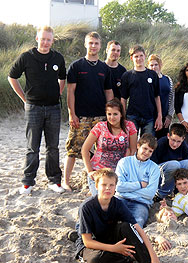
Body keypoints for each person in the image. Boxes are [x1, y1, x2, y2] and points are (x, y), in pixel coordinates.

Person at [8, 26, 66, 194]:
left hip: (54, 108)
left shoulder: (58, 58)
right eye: (43, 38)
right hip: (33, 108)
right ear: (37, 38)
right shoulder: (27, 57)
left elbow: (63, 78)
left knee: (53, 147)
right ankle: (28, 182)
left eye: (49, 39)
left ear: (52, 40)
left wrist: (58, 93)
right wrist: (24, 98)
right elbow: (12, 77)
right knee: (33, 147)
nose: (45, 42)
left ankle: (54, 181)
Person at [63, 31, 114, 191]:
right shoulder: (76, 66)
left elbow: (109, 92)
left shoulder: (104, 68)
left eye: (96, 43)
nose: (93, 46)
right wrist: (72, 113)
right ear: (86, 44)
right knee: (73, 149)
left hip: (100, 117)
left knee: (100, 150)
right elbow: (70, 91)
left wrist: (109, 115)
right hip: (81, 116)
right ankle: (66, 181)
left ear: (100, 46)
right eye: (90, 43)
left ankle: (96, 180)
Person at [75, 168, 159, 263]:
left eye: (111, 185)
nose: (108, 188)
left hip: (112, 239)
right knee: (96, 259)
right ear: (96, 186)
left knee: (126, 226)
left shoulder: (118, 204)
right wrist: (114, 248)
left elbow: (138, 229)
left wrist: (153, 257)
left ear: (115, 187)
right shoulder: (87, 207)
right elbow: (87, 242)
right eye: (104, 185)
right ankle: (124, 257)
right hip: (93, 245)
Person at [82, 98, 137, 196]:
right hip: (99, 170)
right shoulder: (100, 127)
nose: (112, 117)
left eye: (115, 114)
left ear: (121, 114)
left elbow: (133, 150)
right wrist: (89, 171)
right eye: (109, 114)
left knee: (118, 198)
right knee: (101, 198)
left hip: (119, 172)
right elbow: (85, 149)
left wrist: (126, 170)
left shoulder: (129, 126)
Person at [115, 134, 160, 228]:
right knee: (110, 219)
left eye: (150, 151)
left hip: (141, 203)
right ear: (138, 145)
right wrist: (139, 184)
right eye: (145, 148)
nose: (147, 153)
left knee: (137, 224)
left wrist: (127, 188)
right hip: (121, 199)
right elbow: (118, 187)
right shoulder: (124, 162)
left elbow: (150, 194)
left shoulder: (155, 168)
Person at [121, 45, 162, 136]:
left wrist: (159, 116)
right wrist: (123, 117)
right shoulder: (127, 76)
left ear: (145, 56)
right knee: (131, 145)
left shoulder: (152, 75)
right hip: (132, 116)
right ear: (132, 58)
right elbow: (123, 99)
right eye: (136, 56)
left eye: (141, 55)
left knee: (147, 145)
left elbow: (157, 96)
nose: (139, 58)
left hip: (149, 116)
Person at [151, 123, 188, 200]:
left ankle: (181, 191)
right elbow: (152, 165)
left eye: (178, 141)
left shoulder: (183, 146)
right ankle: (161, 194)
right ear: (168, 136)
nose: (175, 144)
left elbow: (187, 162)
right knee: (174, 165)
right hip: (160, 174)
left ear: (183, 139)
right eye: (173, 140)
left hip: (175, 174)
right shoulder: (161, 143)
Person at [147, 54, 174, 139]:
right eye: (151, 65)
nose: (154, 67)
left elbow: (172, 98)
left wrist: (169, 115)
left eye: (156, 65)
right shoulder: (146, 80)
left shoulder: (167, 79)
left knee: (162, 142)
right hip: (150, 117)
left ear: (160, 65)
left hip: (164, 117)